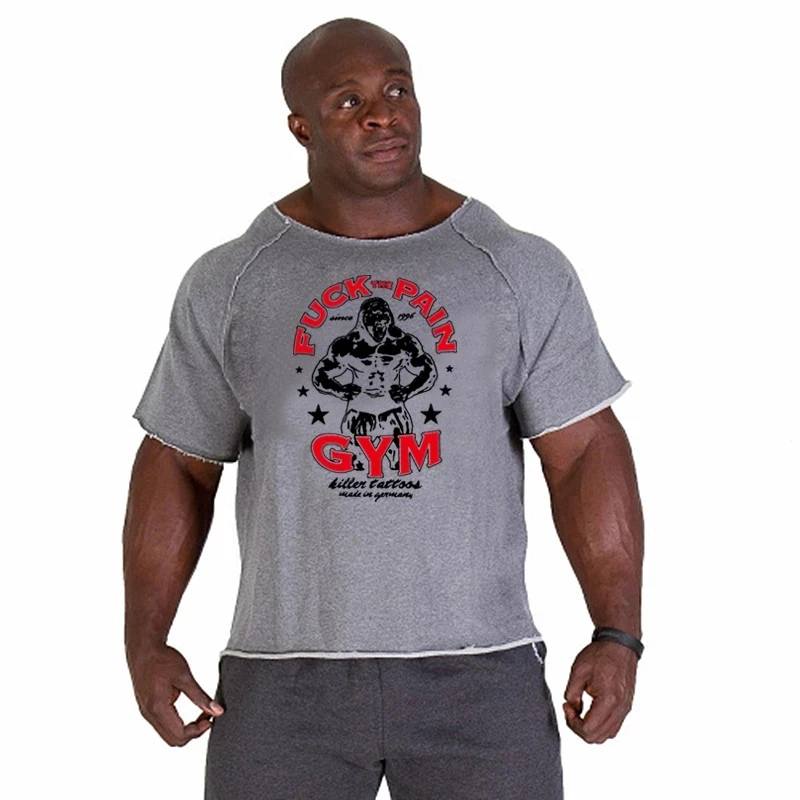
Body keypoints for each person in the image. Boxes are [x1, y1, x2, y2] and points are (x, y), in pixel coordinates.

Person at [123, 16, 644, 800]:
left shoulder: (514, 268)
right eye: (349, 101)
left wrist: (617, 633)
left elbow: (583, 456)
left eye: (397, 90)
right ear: (301, 127)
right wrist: (146, 642)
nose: (382, 114)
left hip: (482, 676)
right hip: (283, 684)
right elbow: (179, 463)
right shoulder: (235, 280)